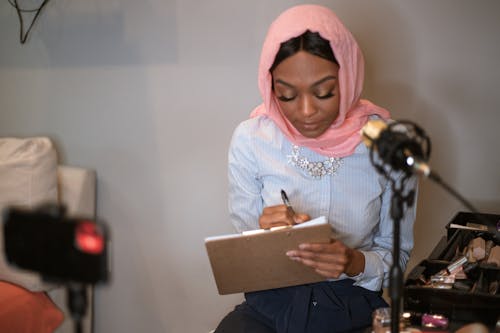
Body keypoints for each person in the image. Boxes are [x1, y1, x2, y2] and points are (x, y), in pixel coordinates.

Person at [216, 4, 418, 333]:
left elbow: (398, 257)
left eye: (324, 92)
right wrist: (262, 235)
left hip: (353, 310)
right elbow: (245, 259)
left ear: (349, 78)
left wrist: (355, 262)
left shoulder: (390, 146)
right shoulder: (251, 141)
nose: (306, 111)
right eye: (287, 95)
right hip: (270, 309)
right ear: (271, 88)